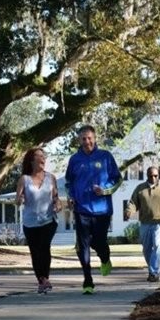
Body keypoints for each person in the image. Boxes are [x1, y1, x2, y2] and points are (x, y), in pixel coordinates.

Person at [65, 125, 122, 294]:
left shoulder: (105, 157)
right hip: (81, 208)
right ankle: (87, 280)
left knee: (98, 242)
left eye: (89, 138)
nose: (87, 141)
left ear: (95, 138)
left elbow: (118, 179)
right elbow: (68, 182)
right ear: (79, 140)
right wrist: (70, 196)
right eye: (83, 138)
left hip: (102, 209)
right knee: (83, 245)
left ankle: (105, 259)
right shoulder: (75, 159)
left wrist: (105, 191)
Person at [16, 148, 61, 294]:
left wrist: (57, 203)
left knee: (44, 246)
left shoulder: (51, 178)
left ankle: (45, 278)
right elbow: (18, 199)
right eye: (39, 156)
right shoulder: (24, 179)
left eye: (44, 156)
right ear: (32, 160)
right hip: (30, 222)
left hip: (48, 220)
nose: (43, 159)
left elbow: (55, 197)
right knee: (35, 252)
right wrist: (20, 199)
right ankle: (41, 280)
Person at [124, 166, 160, 282]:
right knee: (146, 249)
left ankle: (154, 272)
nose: (153, 178)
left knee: (157, 245)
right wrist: (129, 211)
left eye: (155, 175)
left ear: (159, 176)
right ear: (147, 175)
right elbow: (133, 202)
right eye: (151, 175)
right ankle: (152, 268)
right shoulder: (140, 189)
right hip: (145, 223)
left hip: (159, 222)